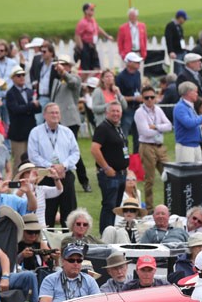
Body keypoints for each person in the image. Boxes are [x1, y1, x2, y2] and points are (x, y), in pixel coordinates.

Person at [27, 103, 80, 227]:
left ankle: (70, 240)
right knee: (47, 213)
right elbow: (33, 155)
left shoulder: (67, 132)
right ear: (44, 115)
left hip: (65, 176)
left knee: (69, 212)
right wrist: (51, 167)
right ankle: (47, 243)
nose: (55, 115)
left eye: (57, 113)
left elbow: (75, 152)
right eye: (52, 113)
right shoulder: (35, 132)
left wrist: (64, 166)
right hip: (45, 177)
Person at [49, 55, 88, 193]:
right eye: (61, 64)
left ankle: (84, 180)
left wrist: (64, 73)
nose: (61, 67)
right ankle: (60, 177)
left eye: (65, 65)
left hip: (70, 120)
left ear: (69, 67)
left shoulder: (74, 78)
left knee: (73, 151)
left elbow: (72, 82)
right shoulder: (56, 81)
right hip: (57, 119)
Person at [90, 101, 129, 233]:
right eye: (113, 111)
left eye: (118, 111)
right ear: (107, 113)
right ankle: (106, 234)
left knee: (116, 207)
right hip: (110, 176)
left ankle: (112, 232)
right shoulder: (103, 128)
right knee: (109, 206)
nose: (116, 114)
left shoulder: (118, 127)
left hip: (121, 174)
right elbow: (95, 149)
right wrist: (106, 168)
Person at [135, 85, 171, 207]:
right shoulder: (139, 113)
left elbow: (169, 126)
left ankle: (170, 203)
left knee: (169, 175)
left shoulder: (158, 110)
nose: (149, 100)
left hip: (159, 146)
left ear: (155, 97)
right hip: (147, 146)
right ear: (142, 99)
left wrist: (156, 127)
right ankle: (149, 207)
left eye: (152, 97)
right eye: (146, 98)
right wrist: (161, 129)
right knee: (150, 179)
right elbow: (145, 132)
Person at [5, 66, 41, 165]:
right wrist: (31, 105)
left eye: (23, 75)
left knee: (32, 160)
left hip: (30, 131)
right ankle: (16, 180)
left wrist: (34, 105)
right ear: (13, 78)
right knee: (18, 162)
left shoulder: (30, 91)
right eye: (18, 75)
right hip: (18, 133)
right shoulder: (10, 93)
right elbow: (15, 110)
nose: (21, 77)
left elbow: (38, 109)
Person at [173, 81, 202, 163]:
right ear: (189, 93)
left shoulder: (189, 106)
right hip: (186, 147)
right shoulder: (180, 107)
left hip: (196, 145)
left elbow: (193, 123)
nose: (197, 94)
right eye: (195, 92)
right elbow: (188, 123)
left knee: (198, 173)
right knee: (187, 174)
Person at [75, 3, 113, 73]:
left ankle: (88, 81)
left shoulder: (93, 20)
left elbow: (98, 28)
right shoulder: (82, 22)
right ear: (86, 11)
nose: (93, 11)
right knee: (86, 69)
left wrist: (107, 36)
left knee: (96, 68)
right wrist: (82, 48)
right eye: (91, 9)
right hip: (86, 46)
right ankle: (84, 82)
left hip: (93, 46)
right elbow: (77, 35)